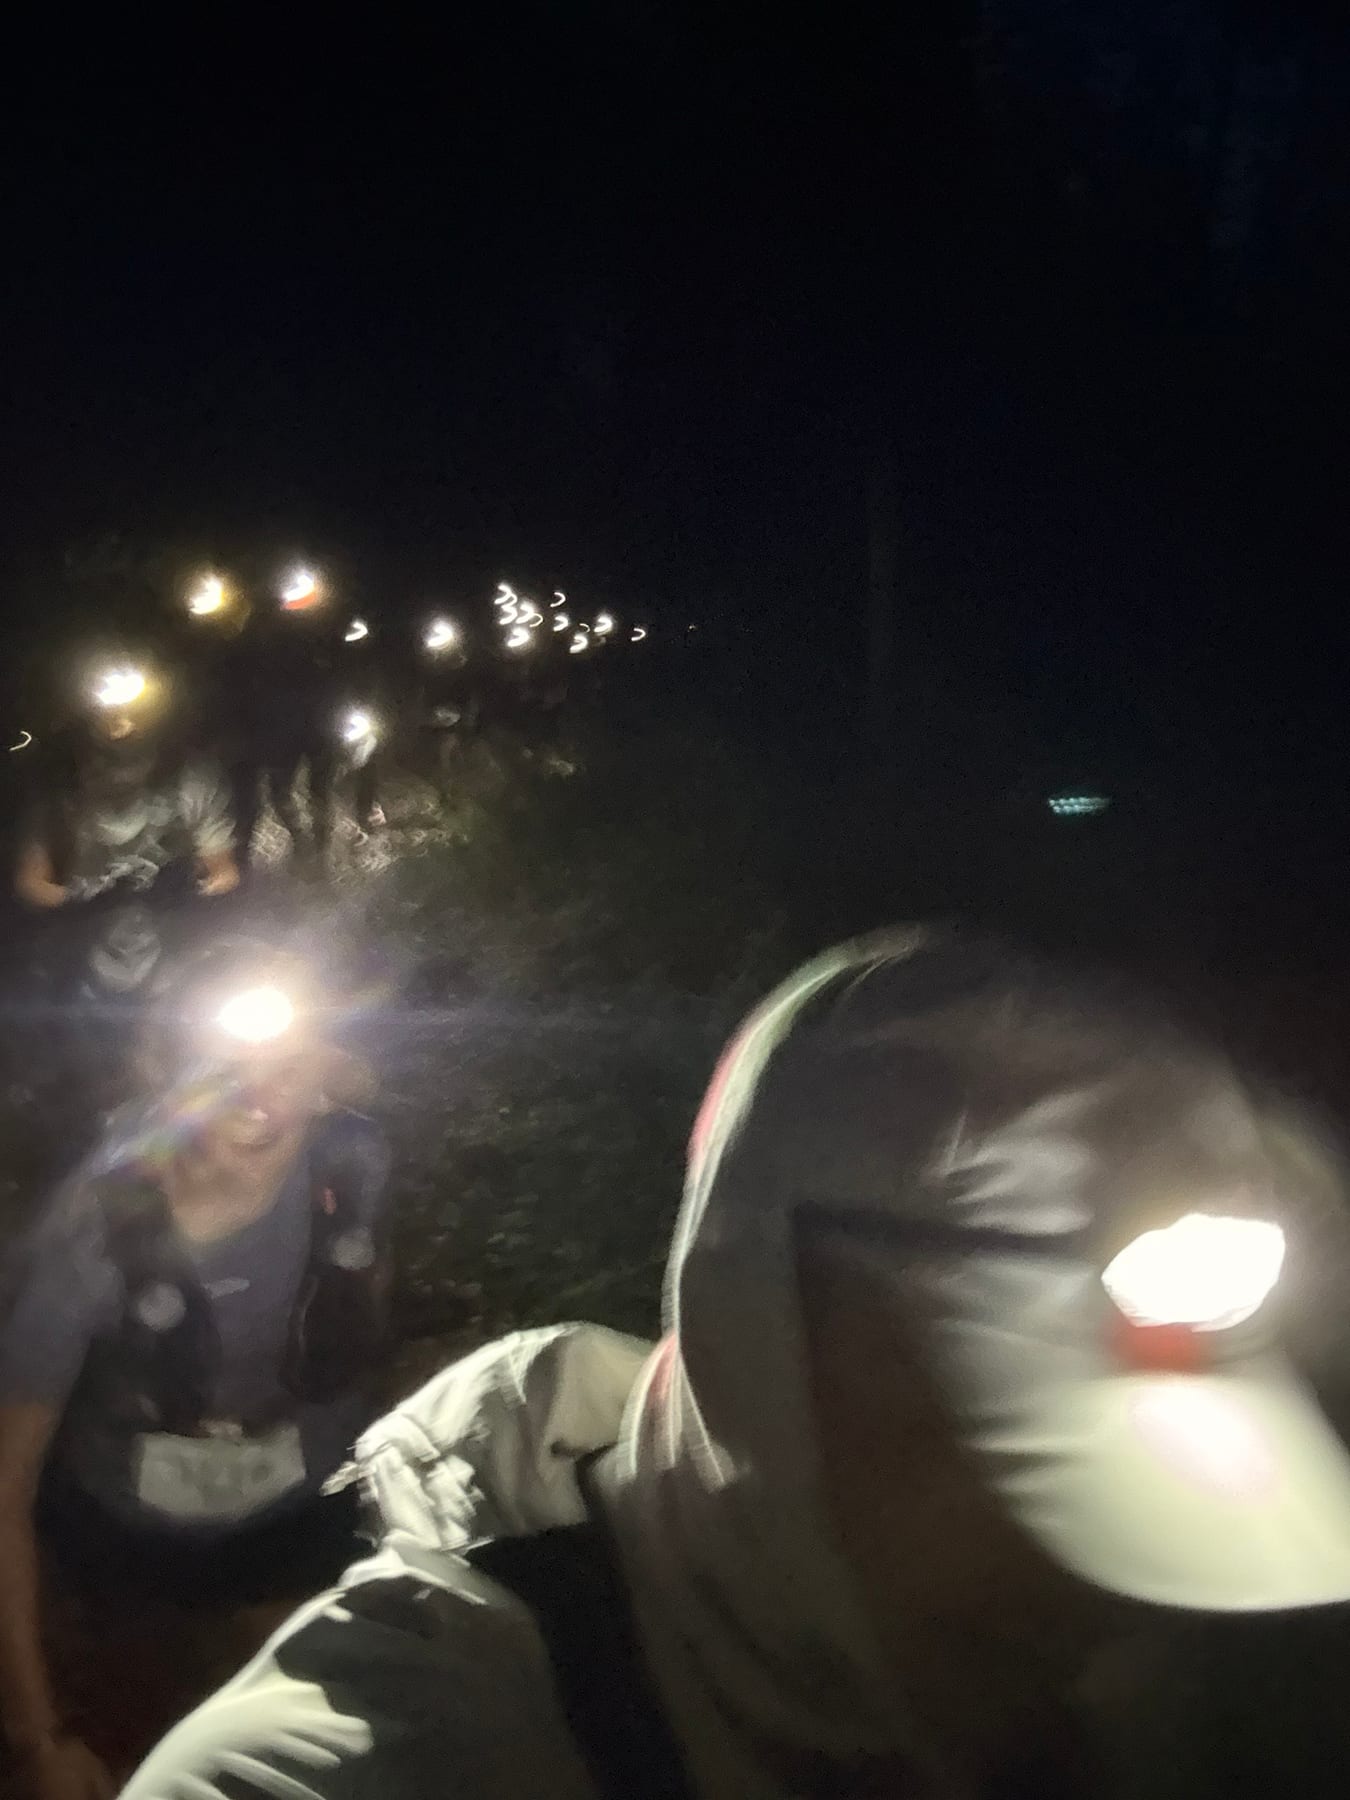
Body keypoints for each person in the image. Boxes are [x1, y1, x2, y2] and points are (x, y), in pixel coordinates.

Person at [122, 929, 1350, 1800]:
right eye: (1005, 1443)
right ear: (764, 1337)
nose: (1102, 1595)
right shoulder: (363, 1760)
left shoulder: (1167, 1703)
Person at [0, 944, 391, 1797]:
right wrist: (38, 1742)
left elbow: (358, 1321)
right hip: (125, 1542)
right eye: (224, 1068)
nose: (259, 1094)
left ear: (324, 1072)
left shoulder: (351, 1167)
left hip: (299, 1517)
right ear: (171, 1076)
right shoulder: (96, 1230)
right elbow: (5, 1487)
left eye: (288, 1065)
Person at [13, 662, 238, 994]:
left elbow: (224, 870)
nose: (121, 723)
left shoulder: (193, 777)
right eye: (109, 713)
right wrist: (83, 900)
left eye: (131, 712)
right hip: (83, 946)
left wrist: (190, 889)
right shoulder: (60, 785)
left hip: (171, 940)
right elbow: (32, 880)